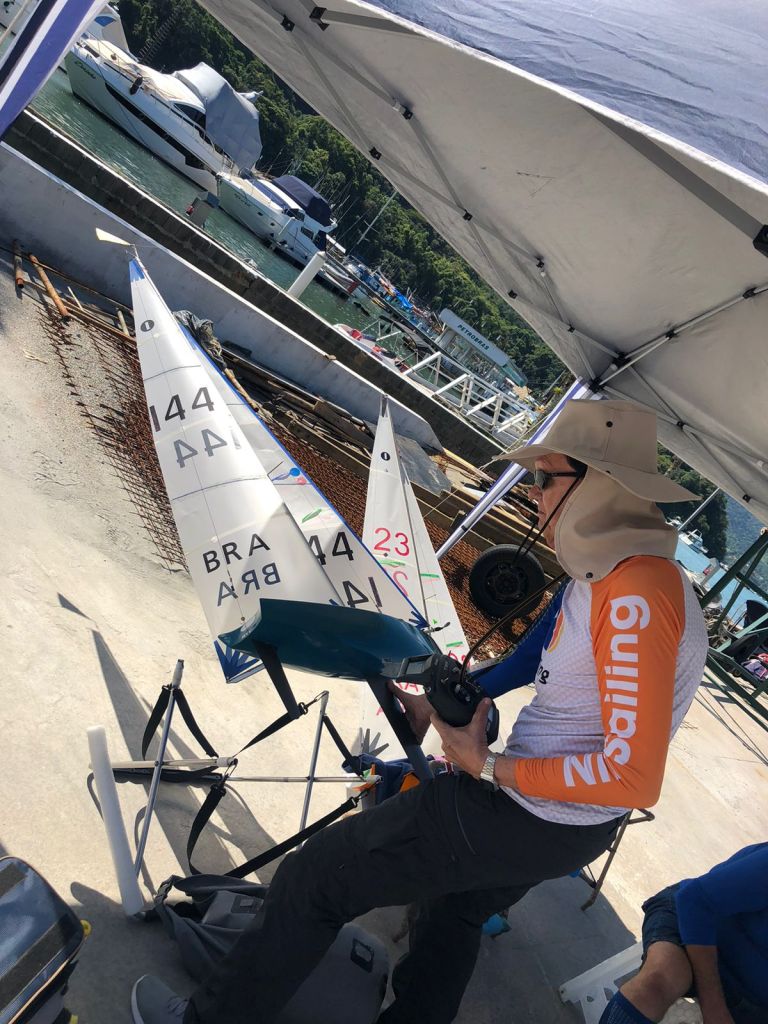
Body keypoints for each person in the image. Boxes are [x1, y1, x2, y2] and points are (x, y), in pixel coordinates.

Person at [131, 398, 709, 1024]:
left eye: (544, 478)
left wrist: (488, 767)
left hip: (526, 810)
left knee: (315, 878)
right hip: (564, 825)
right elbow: (531, 657)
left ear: (598, 485)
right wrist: (442, 702)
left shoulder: (635, 596)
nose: (532, 494)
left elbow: (631, 775)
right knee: (451, 909)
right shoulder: (609, 574)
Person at [601, 842, 768, 1024]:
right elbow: (694, 902)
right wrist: (714, 1008)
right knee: (659, 980)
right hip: (694, 928)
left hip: (751, 996)